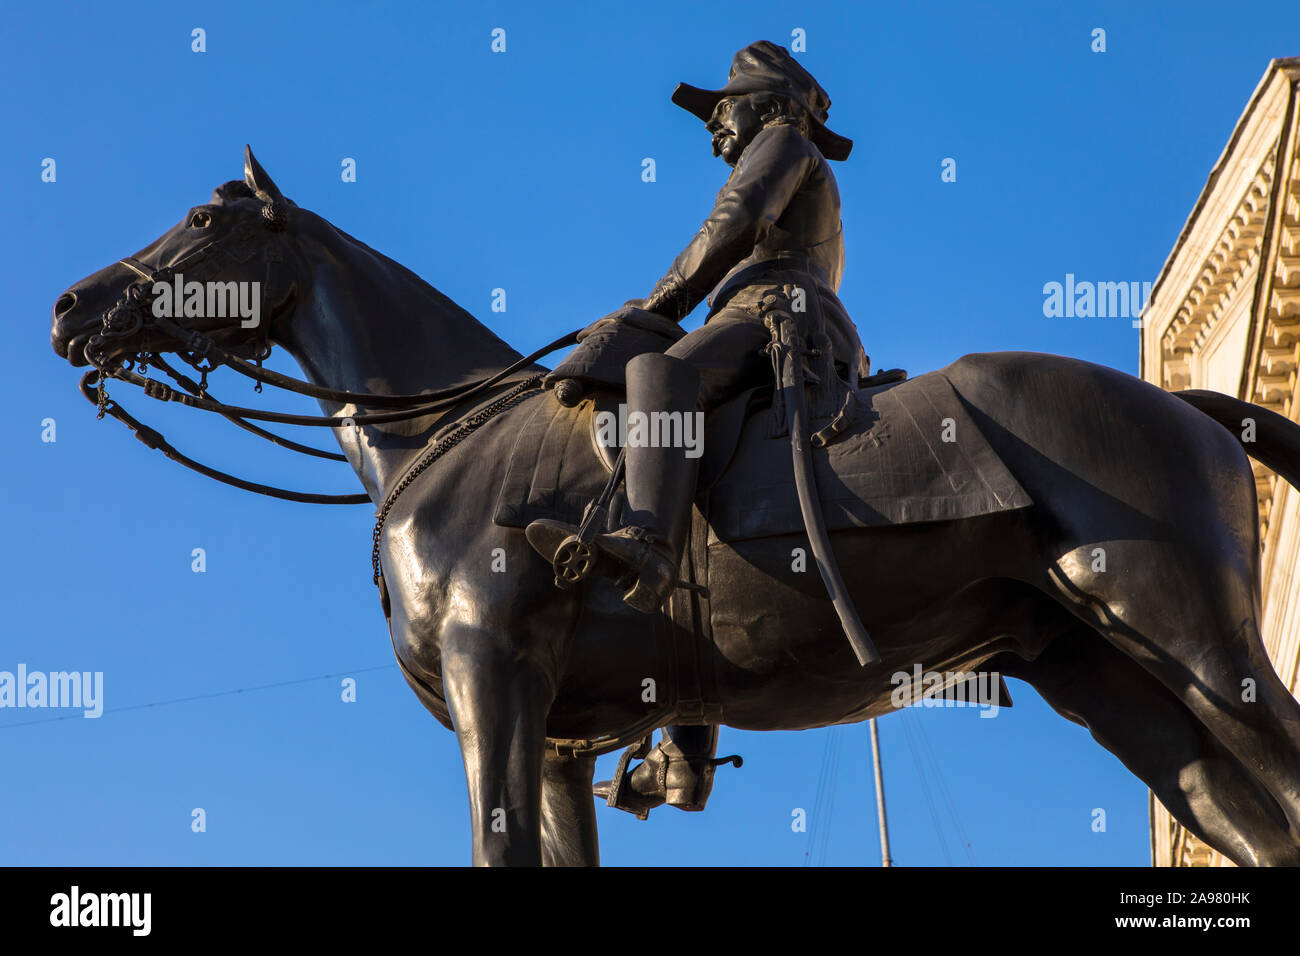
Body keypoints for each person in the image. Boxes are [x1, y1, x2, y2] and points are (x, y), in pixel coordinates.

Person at [527, 41, 867, 814]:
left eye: (723, 110)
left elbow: (736, 220)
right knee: (686, 463)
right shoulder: (788, 145)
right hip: (773, 317)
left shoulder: (784, 142)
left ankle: (646, 548)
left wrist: (657, 308)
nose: (715, 130)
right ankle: (683, 753)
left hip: (779, 316)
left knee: (660, 375)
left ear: (770, 104)